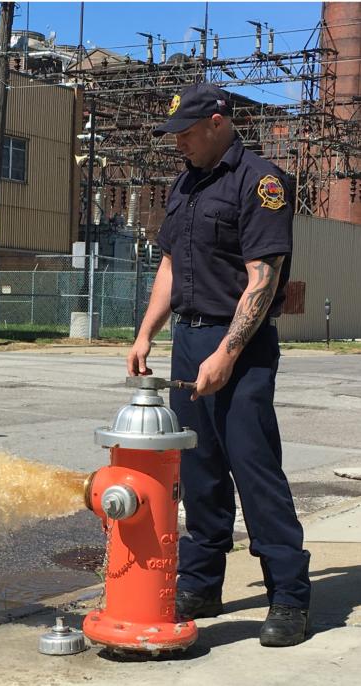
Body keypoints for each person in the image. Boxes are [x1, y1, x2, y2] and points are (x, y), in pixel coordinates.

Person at [128, 83, 311, 647]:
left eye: (185, 132)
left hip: (242, 346)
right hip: (188, 341)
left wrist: (227, 353)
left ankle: (289, 598)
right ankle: (202, 584)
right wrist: (145, 333)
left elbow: (264, 278)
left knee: (254, 472)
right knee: (199, 474)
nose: (178, 142)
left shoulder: (261, 182)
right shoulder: (187, 181)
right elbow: (169, 265)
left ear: (216, 121)